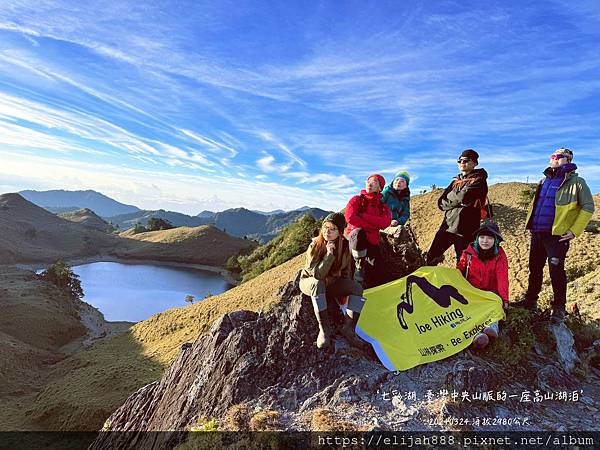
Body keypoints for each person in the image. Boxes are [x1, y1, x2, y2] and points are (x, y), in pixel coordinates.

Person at [515, 148, 595, 322]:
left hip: (557, 235)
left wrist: (574, 231)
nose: (552, 159)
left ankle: (559, 308)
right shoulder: (543, 181)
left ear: (567, 159)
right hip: (537, 231)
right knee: (534, 268)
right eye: (551, 156)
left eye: (556, 157)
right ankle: (530, 301)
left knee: (556, 270)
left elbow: (588, 207)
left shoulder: (577, 182)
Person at [299, 212, 369, 350]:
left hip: (331, 283)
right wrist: (329, 255)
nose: (327, 231)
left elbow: (346, 272)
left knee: (356, 288)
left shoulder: (345, 245)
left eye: (332, 229)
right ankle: (324, 330)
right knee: (318, 284)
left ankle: (349, 328)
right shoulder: (315, 245)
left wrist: (344, 291)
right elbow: (317, 275)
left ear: (340, 232)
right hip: (310, 281)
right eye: (325, 227)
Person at [426, 149, 489, 265]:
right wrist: (457, 200)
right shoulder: (455, 182)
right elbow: (440, 203)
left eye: (466, 160)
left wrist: (451, 199)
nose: (462, 163)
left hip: (466, 230)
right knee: (430, 258)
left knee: (464, 265)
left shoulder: (479, 180)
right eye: (459, 161)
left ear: (475, 163)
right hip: (447, 227)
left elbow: (465, 197)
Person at [457, 221, 509, 349]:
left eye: (490, 238)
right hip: (471, 292)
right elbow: (458, 272)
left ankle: (491, 327)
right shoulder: (467, 254)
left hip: (490, 293)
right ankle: (477, 336)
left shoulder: (499, 256)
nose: (485, 241)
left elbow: (502, 277)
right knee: (467, 310)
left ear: (496, 240)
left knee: (494, 304)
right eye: (482, 237)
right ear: (477, 238)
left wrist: (504, 299)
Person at [344, 174, 392, 286]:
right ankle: (358, 265)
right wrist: (373, 226)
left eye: (374, 181)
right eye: (368, 181)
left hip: (371, 240)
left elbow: (385, 222)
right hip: (354, 238)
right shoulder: (356, 199)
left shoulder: (383, 206)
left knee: (381, 272)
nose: (369, 183)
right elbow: (350, 217)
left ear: (380, 188)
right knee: (359, 233)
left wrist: (363, 215)